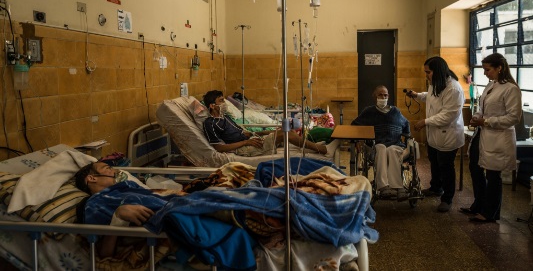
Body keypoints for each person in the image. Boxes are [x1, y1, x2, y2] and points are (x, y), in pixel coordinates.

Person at [74, 161, 181, 258]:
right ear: (92, 178)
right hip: (174, 219)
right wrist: (117, 219)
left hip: (178, 206)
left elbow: (155, 198)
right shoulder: (94, 203)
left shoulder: (125, 187)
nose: (116, 171)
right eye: (108, 168)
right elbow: (103, 254)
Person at [462, 53, 521, 223]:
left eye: (488, 70)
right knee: (475, 167)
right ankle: (478, 205)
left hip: (498, 137)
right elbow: (483, 107)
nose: (485, 73)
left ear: (499, 68)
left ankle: (490, 213)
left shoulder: (511, 89)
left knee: (493, 176)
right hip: (483, 133)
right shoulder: (491, 86)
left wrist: (486, 121)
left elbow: (514, 117)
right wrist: (477, 116)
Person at [202, 90, 340, 157]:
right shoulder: (211, 124)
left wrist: (262, 132)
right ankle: (324, 150)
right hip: (244, 149)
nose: (224, 104)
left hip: (250, 140)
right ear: (212, 106)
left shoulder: (225, 118)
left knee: (287, 130)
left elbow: (243, 133)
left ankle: (313, 147)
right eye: (221, 101)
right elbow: (219, 148)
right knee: (286, 134)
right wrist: (246, 143)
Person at [407, 56, 465, 212]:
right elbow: (431, 97)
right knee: (434, 161)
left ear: (437, 71)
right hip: (434, 134)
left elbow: (448, 115)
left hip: (448, 135)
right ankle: (435, 188)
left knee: (446, 166)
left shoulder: (453, 88)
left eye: (428, 72)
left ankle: (447, 198)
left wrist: (425, 122)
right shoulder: (436, 83)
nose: (426, 75)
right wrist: (418, 95)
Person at [351, 85, 411, 200]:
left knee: (392, 149)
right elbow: (355, 125)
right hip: (375, 146)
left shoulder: (395, 111)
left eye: (385, 95)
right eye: (380, 95)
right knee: (382, 148)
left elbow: (406, 124)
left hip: (395, 145)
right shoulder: (369, 112)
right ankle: (383, 186)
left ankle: (397, 187)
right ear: (375, 97)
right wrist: (358, 140)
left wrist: (408, 139)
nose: (383, 97)